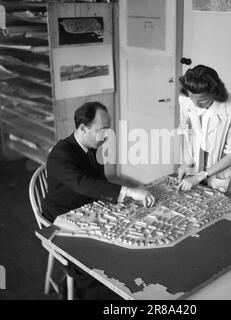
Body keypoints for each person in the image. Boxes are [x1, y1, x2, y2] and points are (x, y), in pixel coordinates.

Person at [41, 101, 155, 299]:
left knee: (130, 242)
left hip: (87, 207)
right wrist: (128, 191)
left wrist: (123, 197)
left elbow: (99, 182)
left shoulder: (92, 146)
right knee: (97, 267)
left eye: (108, 129)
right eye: (102, 129)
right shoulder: (60, 154)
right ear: (83, 128)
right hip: (60, 215)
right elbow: (85, 184)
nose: (106, 135)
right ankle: (76, 289)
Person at [177, 65, 231, 206]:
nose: (196, 104)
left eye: (202, 100)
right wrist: (186, 163)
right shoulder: (185, 99)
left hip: (226, 166)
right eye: (193, 99)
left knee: (226, 210)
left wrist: (200, 176)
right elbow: (185, 131)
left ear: (215, 93)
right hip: (201, 158)